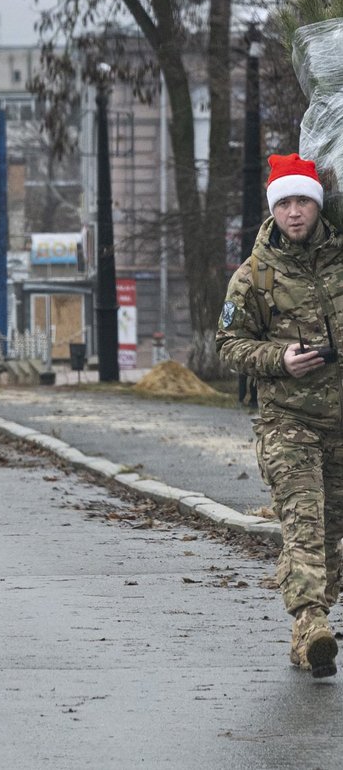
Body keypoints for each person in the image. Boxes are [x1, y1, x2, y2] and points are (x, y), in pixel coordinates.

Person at [217, 152, 343, 679]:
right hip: (287, 421)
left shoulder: (340, 261)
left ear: (317, 206)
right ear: (274, 208)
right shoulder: (254, 276)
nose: (295, 212)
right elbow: (227, 344)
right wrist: (278, 359)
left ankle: (304, 637)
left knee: (332, 530)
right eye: (285, 202)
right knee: (304, 522)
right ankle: (312, 622)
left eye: (303, 202)